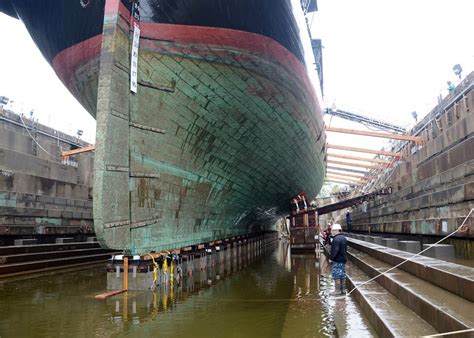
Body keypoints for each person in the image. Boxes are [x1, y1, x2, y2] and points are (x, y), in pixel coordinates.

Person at [329, 223, 347, 295]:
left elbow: (335, 250)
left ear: (336, 230)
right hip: (343, 259)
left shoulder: (335, 239)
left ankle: (337, 290)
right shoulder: (343, 238)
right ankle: (343, 290)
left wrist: (331, 258)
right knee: (342, 274)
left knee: (337, 274)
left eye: (332, 231)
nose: (331, 232)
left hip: (337, 260)